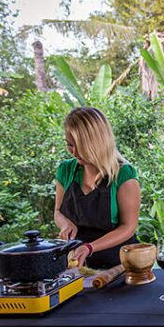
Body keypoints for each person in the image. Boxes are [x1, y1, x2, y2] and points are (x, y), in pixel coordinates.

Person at [54, 107, 141, 269]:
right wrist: (65, 224)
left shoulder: (123, 174)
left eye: (80, 146)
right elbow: (57, 212)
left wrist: (89, 247)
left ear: (97, 142)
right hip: (79, 264)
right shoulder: (65, 170)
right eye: (70, 145)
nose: (74, 152)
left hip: (119, 265)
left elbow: (128, 227)